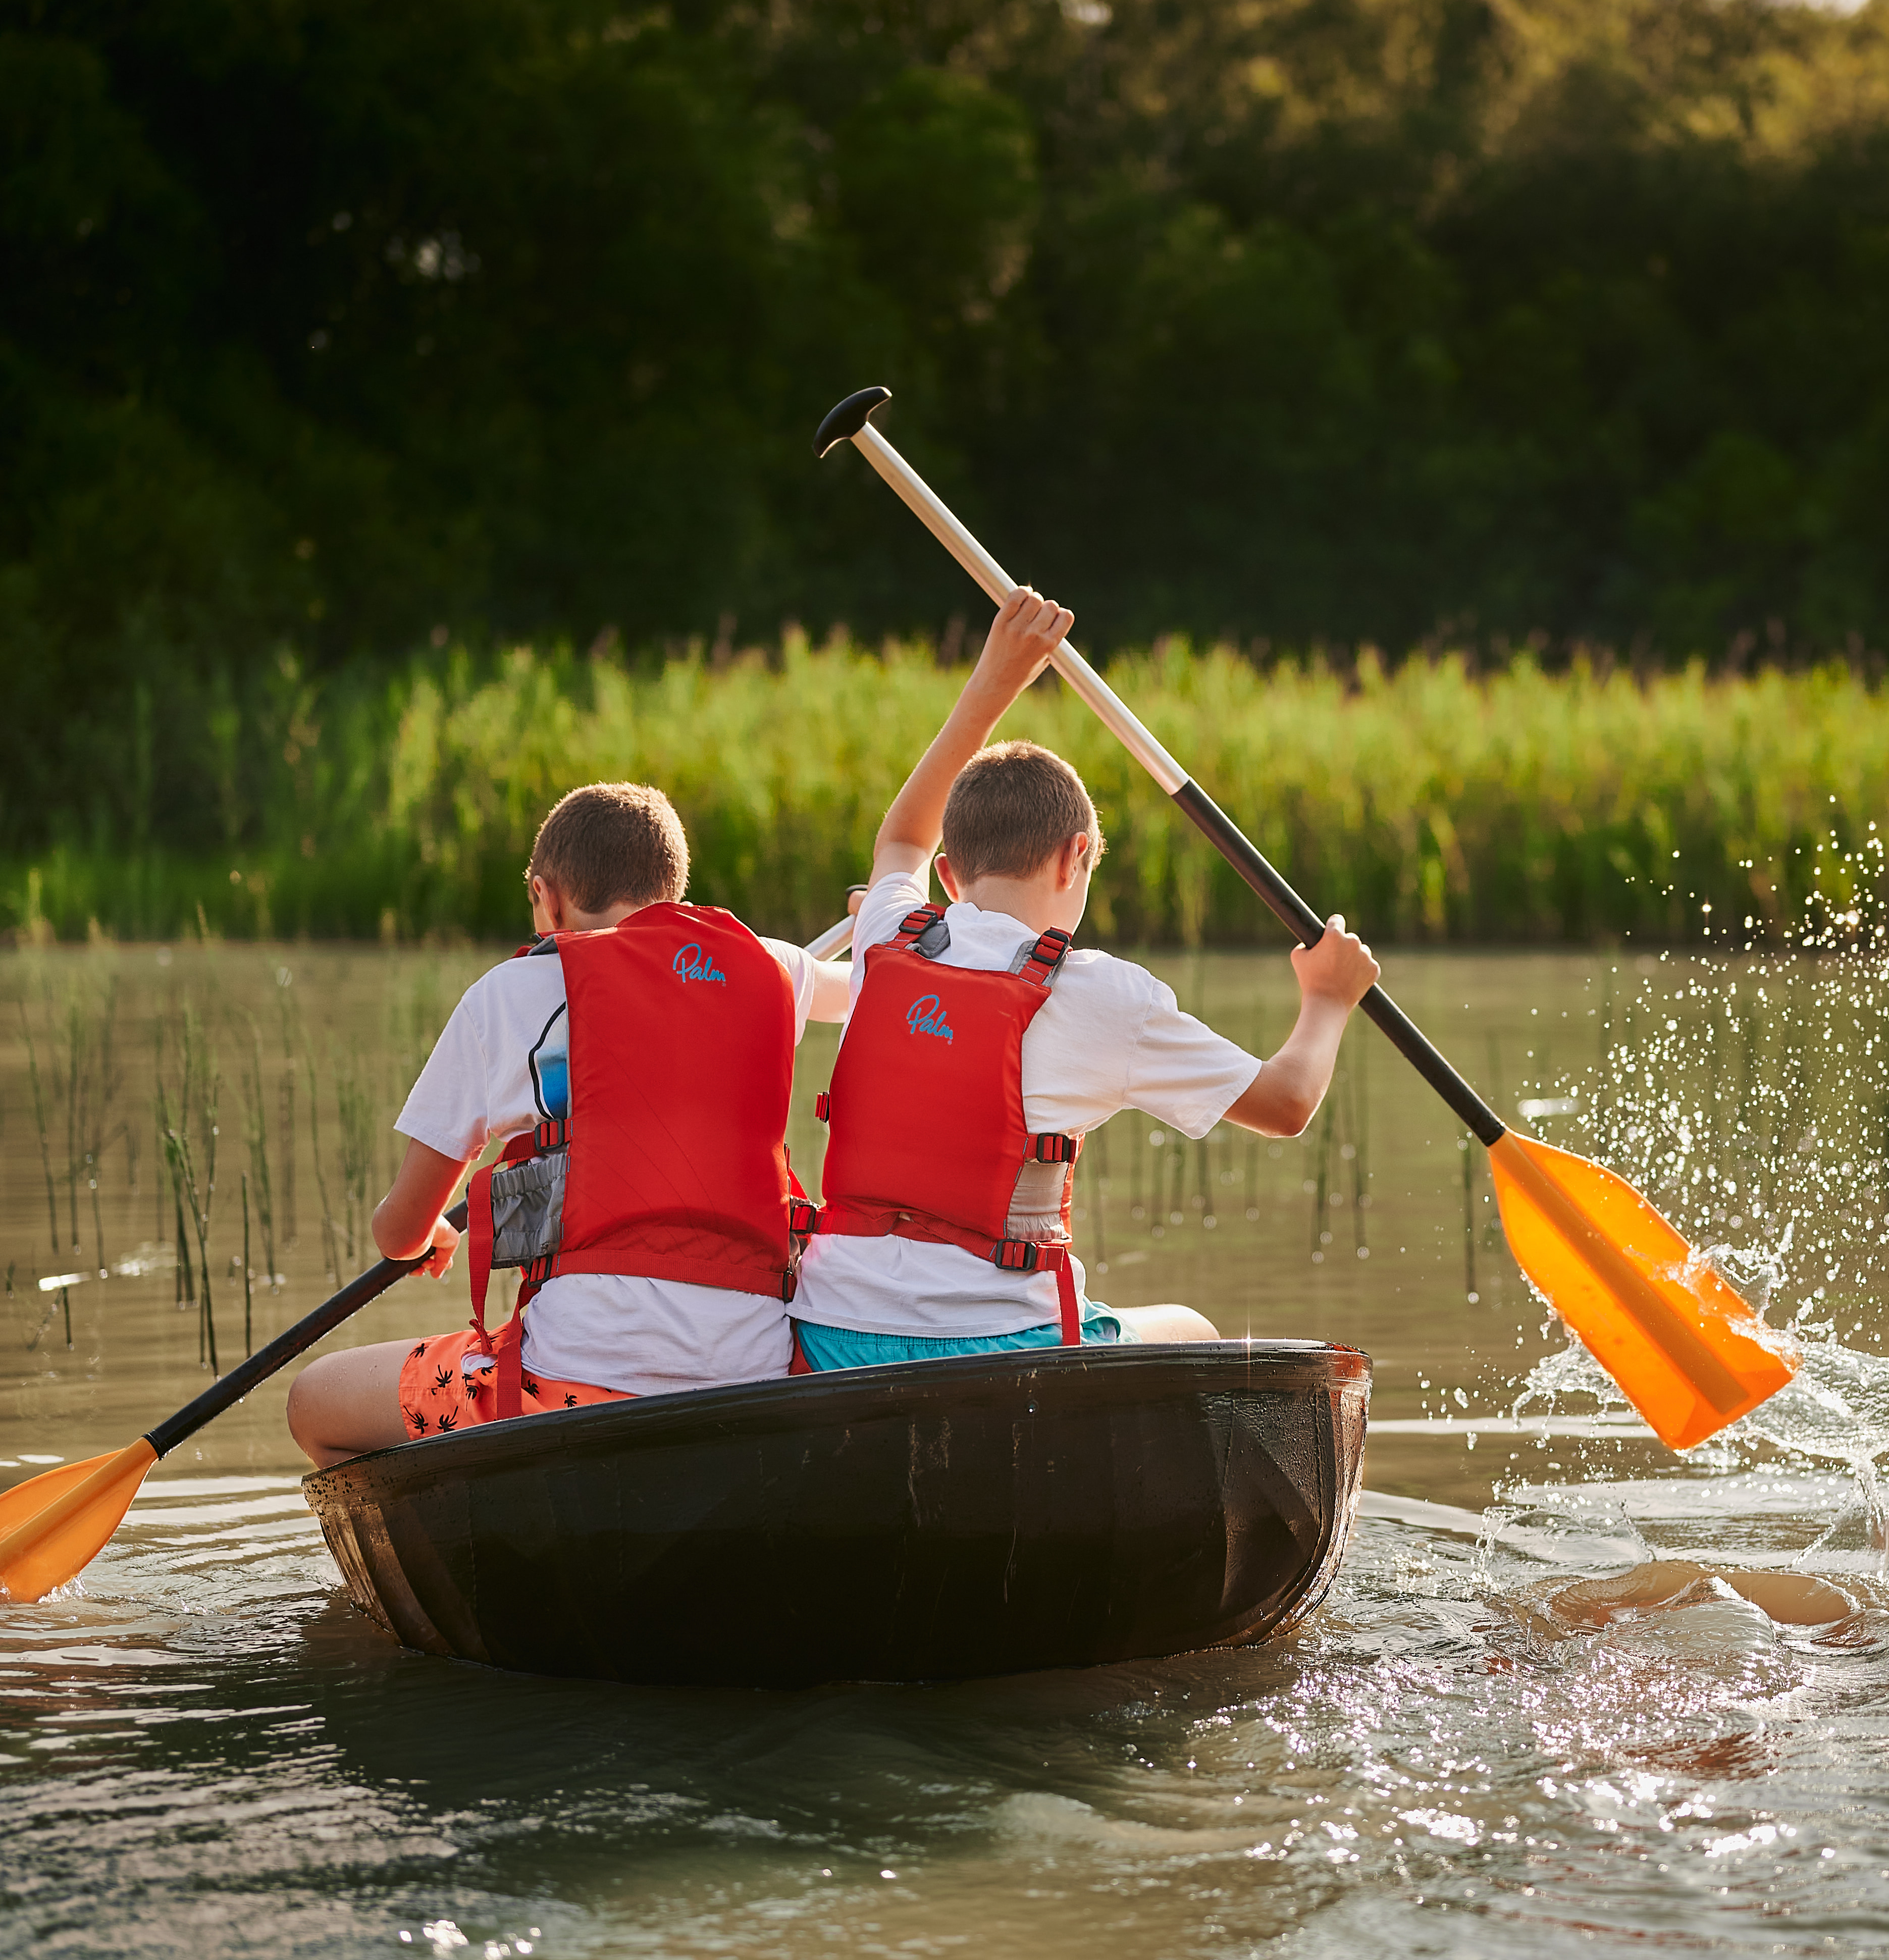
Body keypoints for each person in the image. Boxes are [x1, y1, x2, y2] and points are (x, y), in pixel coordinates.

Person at [785, 588, 1379, 1368]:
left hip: (831, 1339)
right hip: (1001, 1351)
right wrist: (1328, 1001)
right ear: (1075, 857)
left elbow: (899, 838)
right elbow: (1287, 1103)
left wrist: (994, 680)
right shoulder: (1101, 991)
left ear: (949, 876)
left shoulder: (889, 935)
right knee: (1191, 1329)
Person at [287, 782, 853, 1466]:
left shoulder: (503, 995)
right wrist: (877, 907)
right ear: (673, 892)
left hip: (570, 1386)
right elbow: (862, 986)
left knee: (314, 1406)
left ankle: (454, 1545)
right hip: (754, 1374)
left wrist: (427, 1235)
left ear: (544, 896)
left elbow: (398, 1232)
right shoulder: (773, 966)